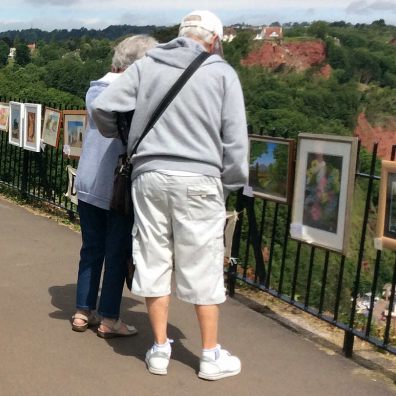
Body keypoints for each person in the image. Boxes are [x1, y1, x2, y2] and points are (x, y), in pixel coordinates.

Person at [91, 10, 248, 379]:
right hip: (199, 178)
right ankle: (209, 356)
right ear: (215, 40)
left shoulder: (148, 65)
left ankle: (159, 349)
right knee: (203, 263)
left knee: (153, 257)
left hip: (149, 176)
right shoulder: (221, 72)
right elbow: (236, 141)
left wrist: (124, 140)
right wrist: (229, 182)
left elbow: (102, 106)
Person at [72, 35, 157, 337]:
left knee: (91, 249)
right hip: (116, 185)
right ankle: (109, 317)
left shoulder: (95, 88)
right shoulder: (129, 95)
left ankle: (83, 310)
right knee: (116, 251)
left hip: (87, 179)